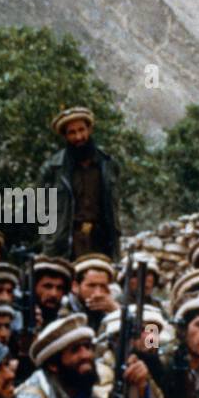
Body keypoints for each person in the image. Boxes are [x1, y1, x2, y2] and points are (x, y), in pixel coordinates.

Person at [39, 106, 121, 259]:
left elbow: (113, 207)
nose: (78, 137)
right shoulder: (53, 169)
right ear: (65, 136)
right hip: (66, 244)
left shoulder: (108, 164)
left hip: (101, 241)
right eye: (72, 132)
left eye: (82, 130)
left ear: (89, 130)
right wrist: (49, 242)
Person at [60, 254, 118, 333]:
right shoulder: (62, 309)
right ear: (75, 287)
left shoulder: (110, 308)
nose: (98, 293)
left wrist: (116, 311)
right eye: (92, 286)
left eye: (103, 286)